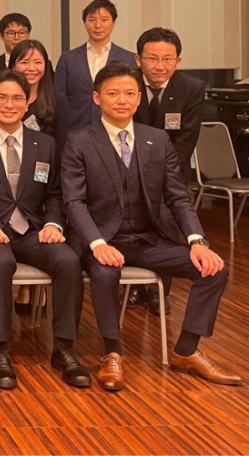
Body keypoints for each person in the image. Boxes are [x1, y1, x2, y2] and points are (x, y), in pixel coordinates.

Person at [61, 61, 241, 391]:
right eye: (113, 93)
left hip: (148, 240)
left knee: (213, 269)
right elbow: (74, 202)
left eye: (130, 93)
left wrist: (197, 241)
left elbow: (177, 196)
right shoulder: (79, 141)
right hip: (101, 240)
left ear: (139, 98)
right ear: (96, 98)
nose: (122, 100)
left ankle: (186, 350)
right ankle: (112, 353)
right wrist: (97, 244)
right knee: (105, 274)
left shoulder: (156, 140)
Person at [0, 70, 90, 390]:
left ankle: (64, 348)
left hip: (33, 230)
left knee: (68, 261)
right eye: (1, 98)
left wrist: (53, 223)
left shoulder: (45, 144)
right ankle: (0, 350)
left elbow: (56, 194)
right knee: (1, 262)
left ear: (27, 102)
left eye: (17, 98)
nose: (9, 104)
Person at [127, 27, 205, 316]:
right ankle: (134, 286)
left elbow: (186, 139)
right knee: (133, 228)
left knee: (168, 229)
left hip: (172, 174)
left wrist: (160, 176)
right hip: (129, 172)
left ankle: (159, 292)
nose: (160, 66)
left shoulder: (192, 88)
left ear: (178, 60)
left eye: (167, 59)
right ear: (138, 60)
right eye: (152, 58)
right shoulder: (127, 83)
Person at [55, 0, 136, 138]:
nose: (98, 25)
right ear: (85, 23)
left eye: (104, 20)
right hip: (75, 132)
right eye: (92, 20)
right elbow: (58, 97)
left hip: (116, 132)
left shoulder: (129, 58)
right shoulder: (68, 59)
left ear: (114, 23)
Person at [7, 39, 69, 144]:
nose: (31, 68)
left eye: (38, 62)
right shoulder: (1, 98)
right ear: (13, 66)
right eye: (24, 62)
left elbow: (62, 143)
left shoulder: (57, 100)